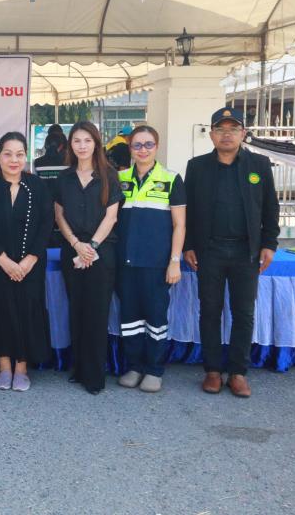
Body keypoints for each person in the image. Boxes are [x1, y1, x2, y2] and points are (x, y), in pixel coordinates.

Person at [184, 107, 279, 398]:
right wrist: (188, 245)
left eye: (233, 129)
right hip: (209, 251)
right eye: (221, 129)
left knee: (244, 313)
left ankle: (238, 373)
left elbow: (270, 207)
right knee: (210, 312)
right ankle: (212, 371)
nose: (227, 135)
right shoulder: (197, 166)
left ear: (243, 133)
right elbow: (188, 210)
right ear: (211, 134)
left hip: (245, 251)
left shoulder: (259, 164)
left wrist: (269, 243)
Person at [0, 132, 53, 392]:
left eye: (19, 154)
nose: (13, 160)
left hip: (30, 264)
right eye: (7, 154)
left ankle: (22, 368)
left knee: (27, 311)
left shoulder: (38, 186)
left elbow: (47, 224)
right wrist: (3, 260)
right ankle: (4, 366)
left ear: (26, 157)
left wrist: (30, 259)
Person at [115, 125, 186, 393]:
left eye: (148, 145)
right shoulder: (119, 178)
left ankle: (154, 369)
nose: (142, 150)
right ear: (130, 148)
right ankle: (134, 367)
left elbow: (180, 225)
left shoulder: (171, 178)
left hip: (157, 263)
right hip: (125, 262)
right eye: (137, 145)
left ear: (156, 147)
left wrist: (175, 260)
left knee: (156, 318)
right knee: (130, 318)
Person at [53, 121, 122, 395]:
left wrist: (90, 247)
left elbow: (111, 216)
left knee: (97, 312)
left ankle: (94, 375)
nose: (82, 146)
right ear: (70, 145)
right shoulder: (64, 178)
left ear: (96, 143)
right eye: (77, 141)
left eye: (87, 140)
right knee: (77, 309)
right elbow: (59, 215)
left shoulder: (109, 175)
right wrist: (75, 244)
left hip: (100, 252)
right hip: (72, 249)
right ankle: (78, 368)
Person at [33, 129, 69, 248]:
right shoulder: (68, 163)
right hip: (64, 208)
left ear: (46, 145)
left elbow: (35, 184)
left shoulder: (37, 162)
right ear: (62, 146)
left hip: (44, 208)